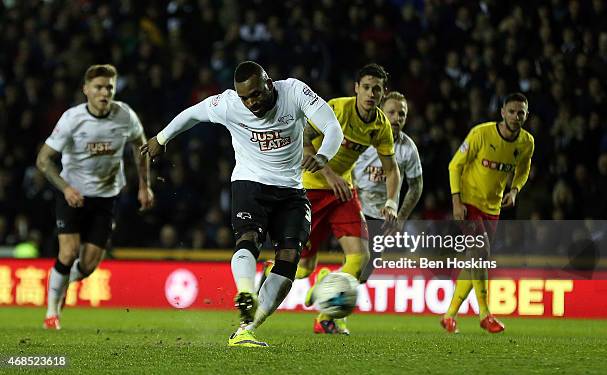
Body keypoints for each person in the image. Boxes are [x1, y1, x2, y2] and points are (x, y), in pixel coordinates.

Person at [140, 61, 343, 347]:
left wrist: (322, 157)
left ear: (269, 83)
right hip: (250, 182)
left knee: (288, 262)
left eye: (256, 95)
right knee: (248, 239)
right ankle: (246, 291)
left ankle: (246, 329)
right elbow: (192, 114)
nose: (251, 103)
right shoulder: (229, 103)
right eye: (245, 97)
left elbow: (332, 127)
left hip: (291, 190)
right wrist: (161, 138)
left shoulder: (294, 92)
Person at [37, 64, 154, 330]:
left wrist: (144, 186)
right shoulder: (71, 119)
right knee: (67, 252)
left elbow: (141, 148)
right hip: (72, 195)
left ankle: (63, 284)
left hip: (105, 197)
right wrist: (65, 188)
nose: (104, 93)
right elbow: (43, 160)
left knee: (88, 266)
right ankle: (52, 312)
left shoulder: (125, 116)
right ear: (86, 90)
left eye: (109, 88)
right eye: (99, 87)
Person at [298, 63, 401, 335]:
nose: (370, 93)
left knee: (360, 257)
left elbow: (392, 170)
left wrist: (391, 202)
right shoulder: (334, 109)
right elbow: (303, 141)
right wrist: (330, 175)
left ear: (382, 93)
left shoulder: (380, 126)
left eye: (376, 89)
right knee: (302, 269)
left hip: (343, 191)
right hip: (311, 188)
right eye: (365, 87)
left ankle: (326, 318)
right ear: (356, 88)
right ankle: (309, 279)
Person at [441, 93, 534, 334]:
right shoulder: (481, 133)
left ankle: (449, 315)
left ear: (526, 115)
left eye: (520, 113)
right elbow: (454, 165)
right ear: (502, 112)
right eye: (511, 111)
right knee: (481, 252)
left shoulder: (526, 142)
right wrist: (456, 201)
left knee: (474, 259)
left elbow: (523, 170)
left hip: (493, 208)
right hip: (469, 202)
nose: (515, 116)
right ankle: (485, 314)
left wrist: (514, 190)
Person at [353, 91, 423, 277]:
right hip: (354, 207)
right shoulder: (363, 137)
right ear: (381, 111)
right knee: (355, 261)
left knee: (365, 272)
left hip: (382, 217)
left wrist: (400, 218)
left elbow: (416, 186)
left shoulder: (408, 148)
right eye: (391, 112)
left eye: (401, 114)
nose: (396, 118)